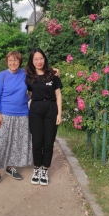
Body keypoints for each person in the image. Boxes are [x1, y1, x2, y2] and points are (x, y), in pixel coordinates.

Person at [0, 50, 32, 188]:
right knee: (0, 142)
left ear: (19, 62)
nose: (13, 62)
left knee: (16, 143)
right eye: (10, 60)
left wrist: (28, 97)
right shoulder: (2, 75)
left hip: (22, 115)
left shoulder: (25, 74)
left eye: (15, 60)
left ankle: (10, 167)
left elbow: (38, 78)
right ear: (7, 61)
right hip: (5, 115)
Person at [25, 48, 63, 186]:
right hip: (35, 110)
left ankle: (45, 170)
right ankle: (37, 168)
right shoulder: (29, 76)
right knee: (37, 142)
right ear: (32, 61)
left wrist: (59, 114)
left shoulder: (52, 75)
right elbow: (28, 95)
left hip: (51, 110)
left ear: (44, 59)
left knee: (48, 142)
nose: (39, 61)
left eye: (41, 58)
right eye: (35, 59)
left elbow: (58, 95)